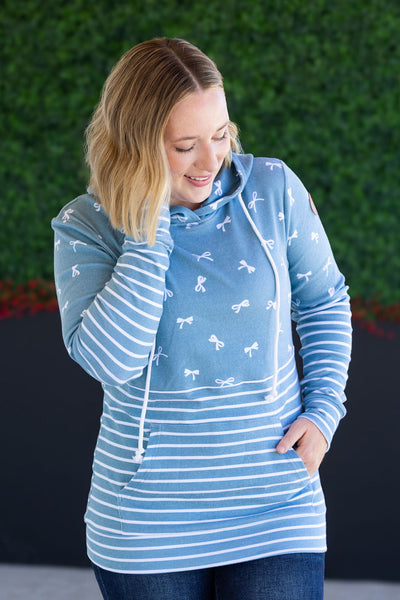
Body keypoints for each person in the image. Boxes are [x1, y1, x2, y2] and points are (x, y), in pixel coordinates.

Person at [52, 38, 352, 600]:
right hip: (147, 524)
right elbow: (112, 361)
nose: (212, 161)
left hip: (276, 505)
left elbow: (324, 300)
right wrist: (147, 223)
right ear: (136, 146)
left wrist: (324, 412)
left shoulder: (273, 190)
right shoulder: (86, 226)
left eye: (220, 135)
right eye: (185, 146)